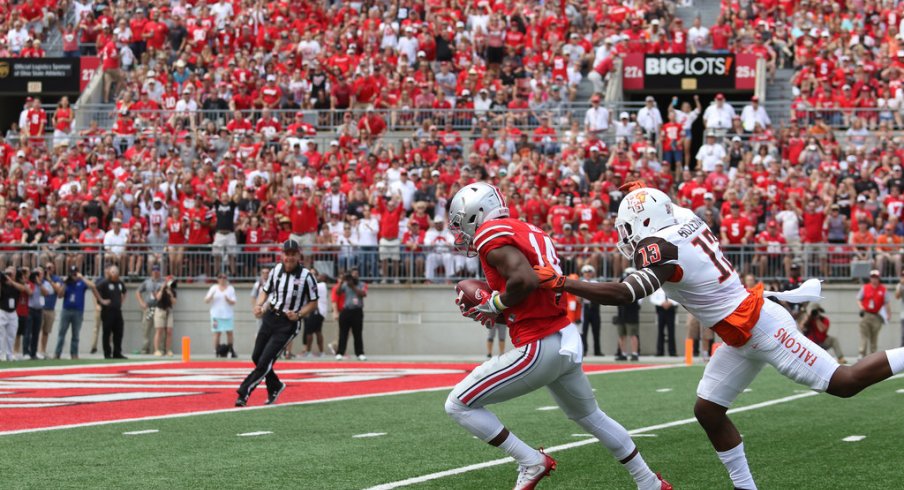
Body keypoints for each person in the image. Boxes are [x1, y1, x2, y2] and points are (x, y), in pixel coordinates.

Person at [534, 184, 904, 490]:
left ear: (647, 221)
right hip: (740, 333)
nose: (626, 236)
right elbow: (666, 207)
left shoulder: (661, 248)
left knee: (845, 382)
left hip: (761, 326)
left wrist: (565, 282)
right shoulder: (685, 218)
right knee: (708, 410)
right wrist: (644, 193)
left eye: (629, 226)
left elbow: (623, 293)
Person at [445, 182, 670, 490]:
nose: (463, 233)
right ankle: (650, 483)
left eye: (462, 224)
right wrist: (499, 309)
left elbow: (523, 280)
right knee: (591, 417)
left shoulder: (489, 233)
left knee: (458, 404)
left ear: (476, 213)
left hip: (539, 343)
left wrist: (494, 303)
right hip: (564, 335)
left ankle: (530, 461)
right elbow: (531, 283)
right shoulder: (531, 230)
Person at [237, 240, 318, 407]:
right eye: (287, 254)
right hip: (271, 316)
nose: (289, 257)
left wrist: (298, 314)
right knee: (257, 356)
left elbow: (313, 302)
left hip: (288, 323)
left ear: (298, 255)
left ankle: (244, 392)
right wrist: (259, 305)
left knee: (265, 360)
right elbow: (265, 291)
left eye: (293, 254)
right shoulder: (276, 270)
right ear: (282, 254)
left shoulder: (306, 276)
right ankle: (275, 386)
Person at [54, 266, 102, 359]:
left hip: (78, 311)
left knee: (75, 334)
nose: (74, 275)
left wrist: (82, 277)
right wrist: (65, 283)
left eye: (75, 273)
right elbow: (60, 295)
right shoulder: (66, 283)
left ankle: (74, 354)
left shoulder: (81, 283)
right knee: (61, 333)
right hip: (66, 310)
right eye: (72, 273)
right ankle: (57, 353)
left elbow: (92, 285)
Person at [335, 269, 367, 361]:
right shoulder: (345, 284)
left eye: (356, 274)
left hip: (357, 311)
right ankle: (340, 353)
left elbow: (363, 294)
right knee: (343, 333)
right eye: (353, 274)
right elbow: (338, 292)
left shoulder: (362, 284)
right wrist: (341, 282)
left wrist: (353, 286)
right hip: (346, 311)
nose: (355, 276)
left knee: (357, 333)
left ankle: (360, 353)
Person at [94, 265, 125, 359]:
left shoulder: (120, 283)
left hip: (117, 311)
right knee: (107, 333)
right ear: (109, 273)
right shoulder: (105, 282)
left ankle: (117, 352)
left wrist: (121, 301)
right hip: (107, 312)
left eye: (116, 272)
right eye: (113, 272)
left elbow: (124, 291)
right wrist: (101, 301)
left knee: (119, 332)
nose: (115, 274)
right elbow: (95, 289)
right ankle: (107, 353)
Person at [857, 270, 888, 359]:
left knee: (874, 336)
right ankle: (861, 353)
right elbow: (858, 298)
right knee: (864, 334)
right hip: (866, 314)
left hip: (877, 315)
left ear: (878, 278)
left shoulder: (883, 289)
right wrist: (861, 307)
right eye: (873, 277)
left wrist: (888, 313)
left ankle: (872, 355)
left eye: (876, 277)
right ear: (870, 278)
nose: (874, 279)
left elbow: (887, 303)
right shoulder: (865, 287)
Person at [0, 267, 30, 361]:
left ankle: (9, 354)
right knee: (1, 334)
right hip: (2, 311)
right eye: (8, 271)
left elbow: (23, 289)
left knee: (11, 335)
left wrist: (11, 282)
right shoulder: (2, 283)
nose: (10, 273)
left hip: (13, 313)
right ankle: (1, 354)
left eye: (12, 272)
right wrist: (4, 280)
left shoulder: (17, 283)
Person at [205, 273, 237, 358]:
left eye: (224, 277)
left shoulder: (230, 288)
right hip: (216, 315)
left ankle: (231, 350)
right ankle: (216, 350)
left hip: (227, 314)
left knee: (229, 332)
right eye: (220, 277)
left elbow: (234, 302)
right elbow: (206, 300)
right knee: (217, 333)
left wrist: (228, 300)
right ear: (217, 279)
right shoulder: (214, 288)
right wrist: (211, 297)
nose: (222, 279)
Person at [136, 265, 164, 354]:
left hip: (159, 308)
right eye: (154, 270)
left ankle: (159, 349)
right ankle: (145, 349)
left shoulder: (163, 282)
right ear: (151, 271)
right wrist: (141, 302)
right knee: (146, 329)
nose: (155, 272)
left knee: (159, 330)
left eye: (157, 270)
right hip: (149, 308)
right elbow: (138, 292)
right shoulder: (147, 282)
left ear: (159, 271)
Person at [614, 267, 641, 361]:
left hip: (631, 313)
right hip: (622, 313)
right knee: (621, 334)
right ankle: (623, 353)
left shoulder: (638, 288)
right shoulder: (620, 286)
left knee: (633, 334)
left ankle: (634, 353)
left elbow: (639, 302)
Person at [301, 269, 328, 357]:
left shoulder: (321, 285)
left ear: (318, 276)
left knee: (309, 332)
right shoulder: (319, 285)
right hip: (319, 311)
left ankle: (308, 352)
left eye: (314, 274)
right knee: (317, 331)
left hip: (316, 311)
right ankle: (321, 352)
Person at [580, 265, 603, 357]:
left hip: (594, 306)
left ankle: (597, 350)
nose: (588, 274)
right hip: (585, 307)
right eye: (586, 272)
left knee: (596, 330)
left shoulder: (596, 282)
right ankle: (584, 350)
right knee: (584, 331)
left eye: (589, 272)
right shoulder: (581, 282)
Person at [40, 263, 62, 359]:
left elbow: (58, 290)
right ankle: (36, 351)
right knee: (37, 331)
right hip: (40, 308)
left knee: (46, 331)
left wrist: (49, 280)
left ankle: (43, 351)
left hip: (50, 309)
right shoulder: (40, 278)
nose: (48, 270)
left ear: (54, 269)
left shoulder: (56, 279)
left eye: (50, 268)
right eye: (47, 268)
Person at [153, 275, 177, 356]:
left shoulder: (173, 291)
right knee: (159, 331)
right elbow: (157, 298)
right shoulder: (160, 288)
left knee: (169, 331)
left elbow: (174, 302)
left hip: (169, 311)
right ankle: (156, 350)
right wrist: (163, 289)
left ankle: (168, 350)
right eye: (169, 281)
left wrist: (170, 294)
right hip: (160, 310)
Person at [649, 287, 678, 357]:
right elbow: (652, 299)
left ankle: (672, 351)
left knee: (671, 330)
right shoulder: (657, 287)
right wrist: (662, 303)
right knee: (660, 330)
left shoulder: (673, 287)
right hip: (660, 310)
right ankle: (660, 351)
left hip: (671, 310)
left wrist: (670, 302)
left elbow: (678, 298)